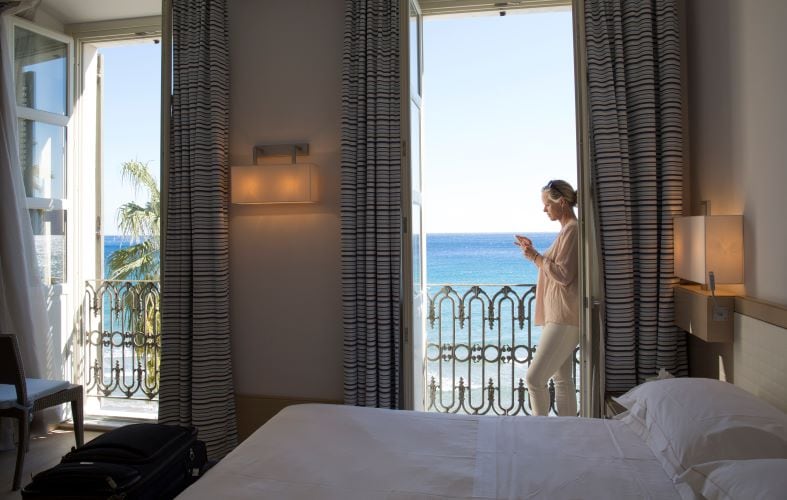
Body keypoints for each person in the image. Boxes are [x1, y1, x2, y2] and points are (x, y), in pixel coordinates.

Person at [516, 179, 578, 417]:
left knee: (534, 379)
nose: (544, 209)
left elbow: (563, 275)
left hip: (564, 317)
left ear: (561, 202)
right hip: (559, 314)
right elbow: (553, 269)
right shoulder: (566, 231)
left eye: (547, 204)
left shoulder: (572, 230)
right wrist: (534, 254)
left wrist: (534, 257)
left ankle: (538, 432)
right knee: (563, 380)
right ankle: (568, 435)